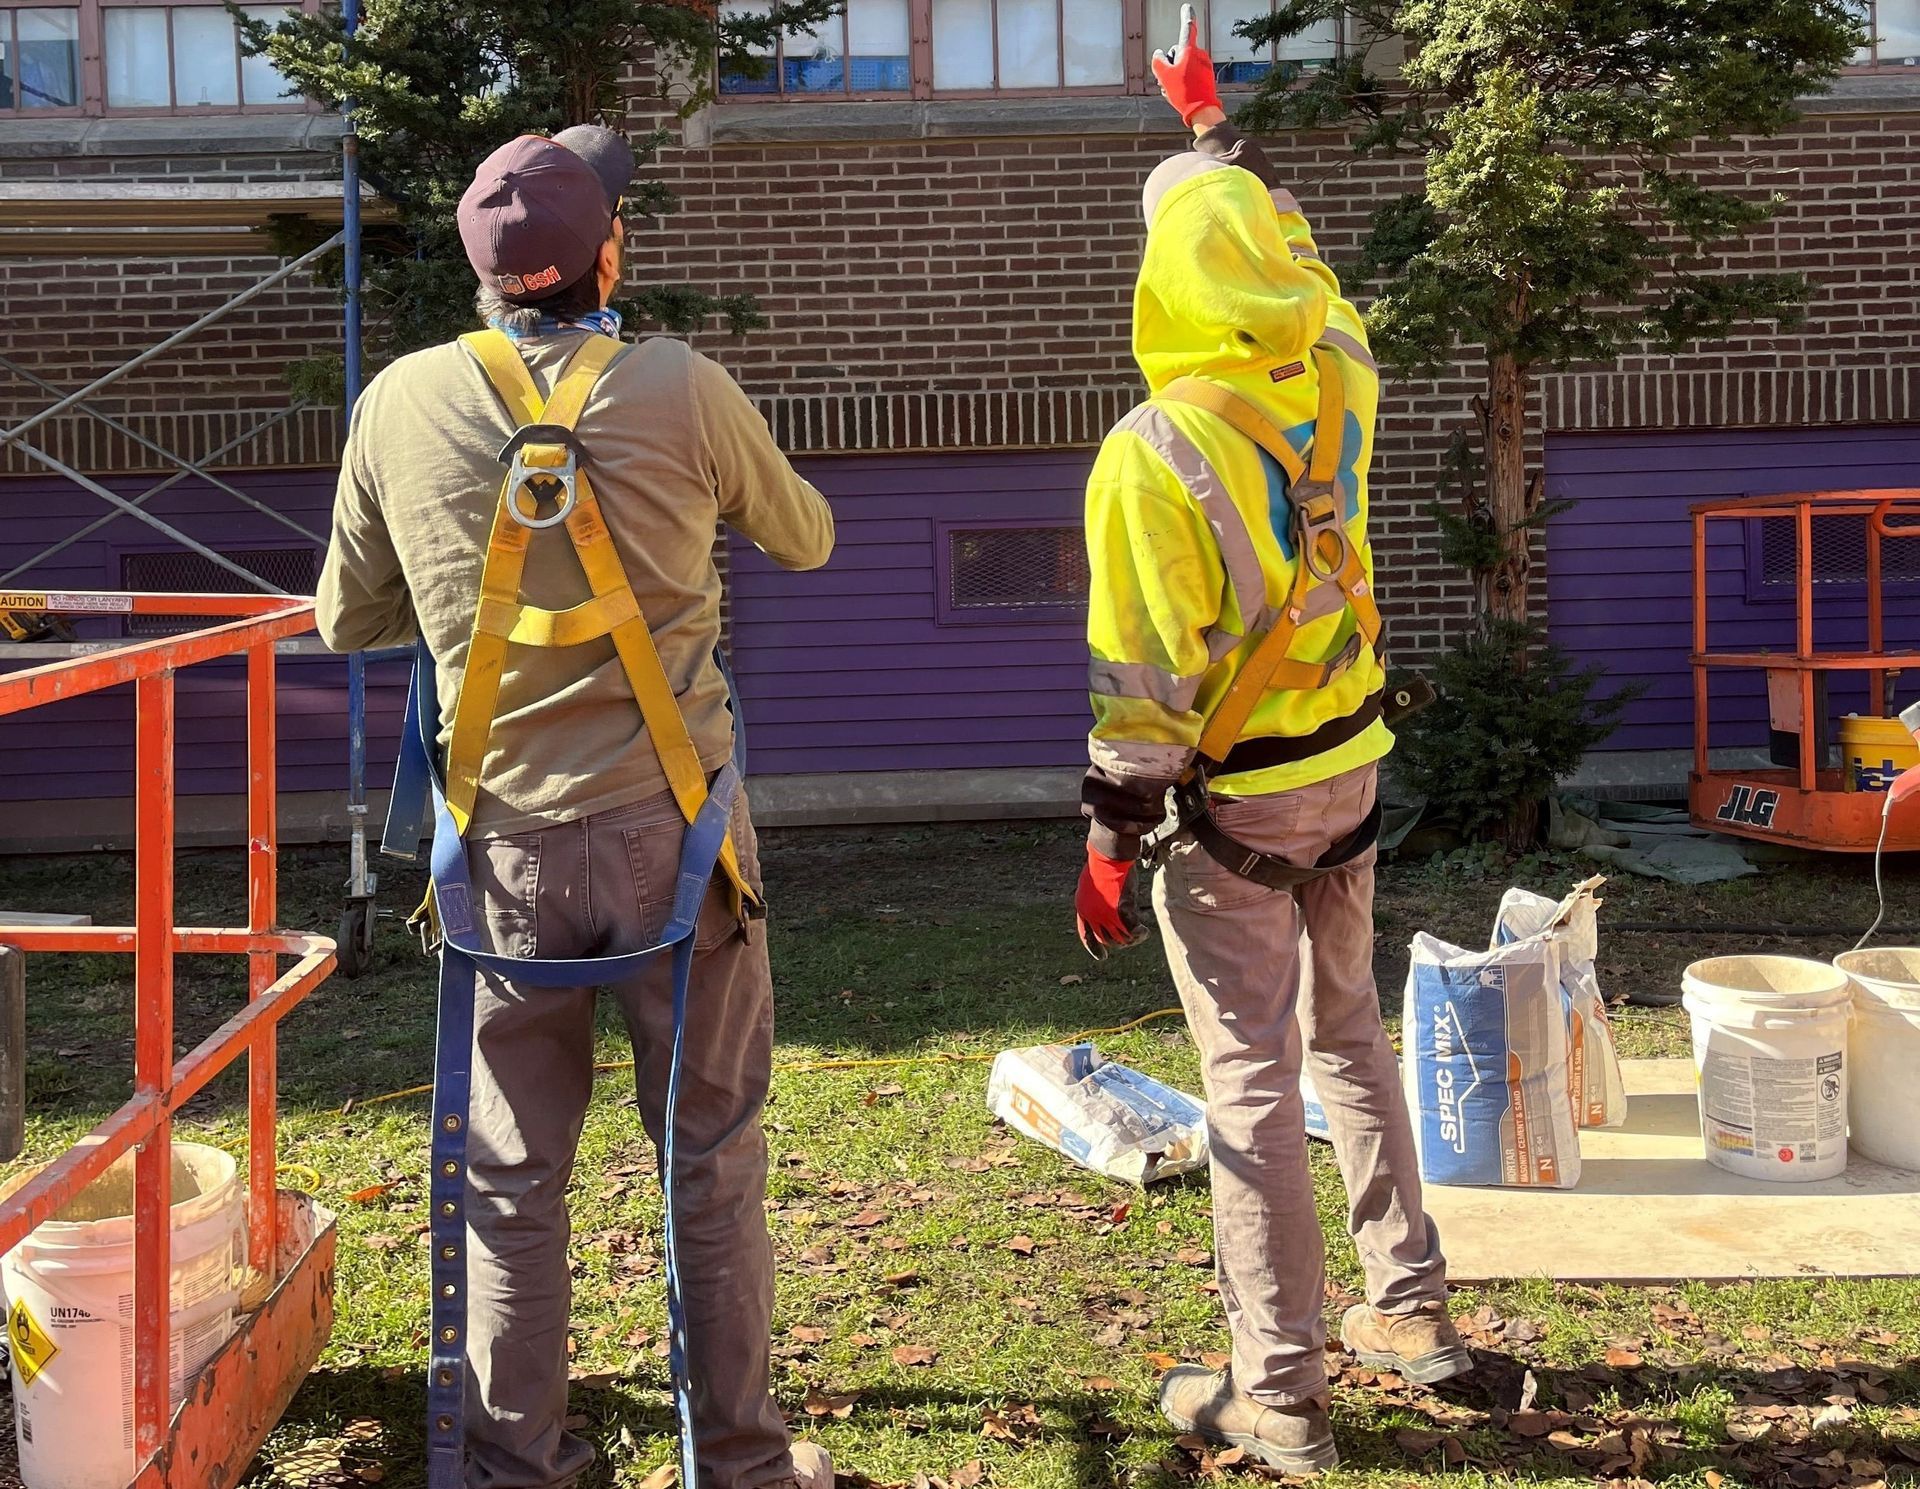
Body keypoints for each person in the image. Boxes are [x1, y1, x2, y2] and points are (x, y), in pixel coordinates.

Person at [317, 124, 836, 1489]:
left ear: (487, 274)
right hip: (683, 846)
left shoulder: (402, 403)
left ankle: (510, 1464)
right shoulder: (680, 384)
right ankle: (739, 1463)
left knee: (509, 1174)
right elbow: (808, 534)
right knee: (709, 1164)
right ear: (605, 252)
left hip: (502, 858)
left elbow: (341, 616)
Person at [1070, 22, 1471, 1475]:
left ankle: (1279, 1391)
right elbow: (1314, 277)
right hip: (1349, 767)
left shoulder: (1153, 451)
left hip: (1232, 803)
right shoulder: (1339, 372)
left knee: (1248, 1071)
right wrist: (1218, 144)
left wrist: (1112, 837)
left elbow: (1140, 689)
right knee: (1349, 1035)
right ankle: (1412, 1310)